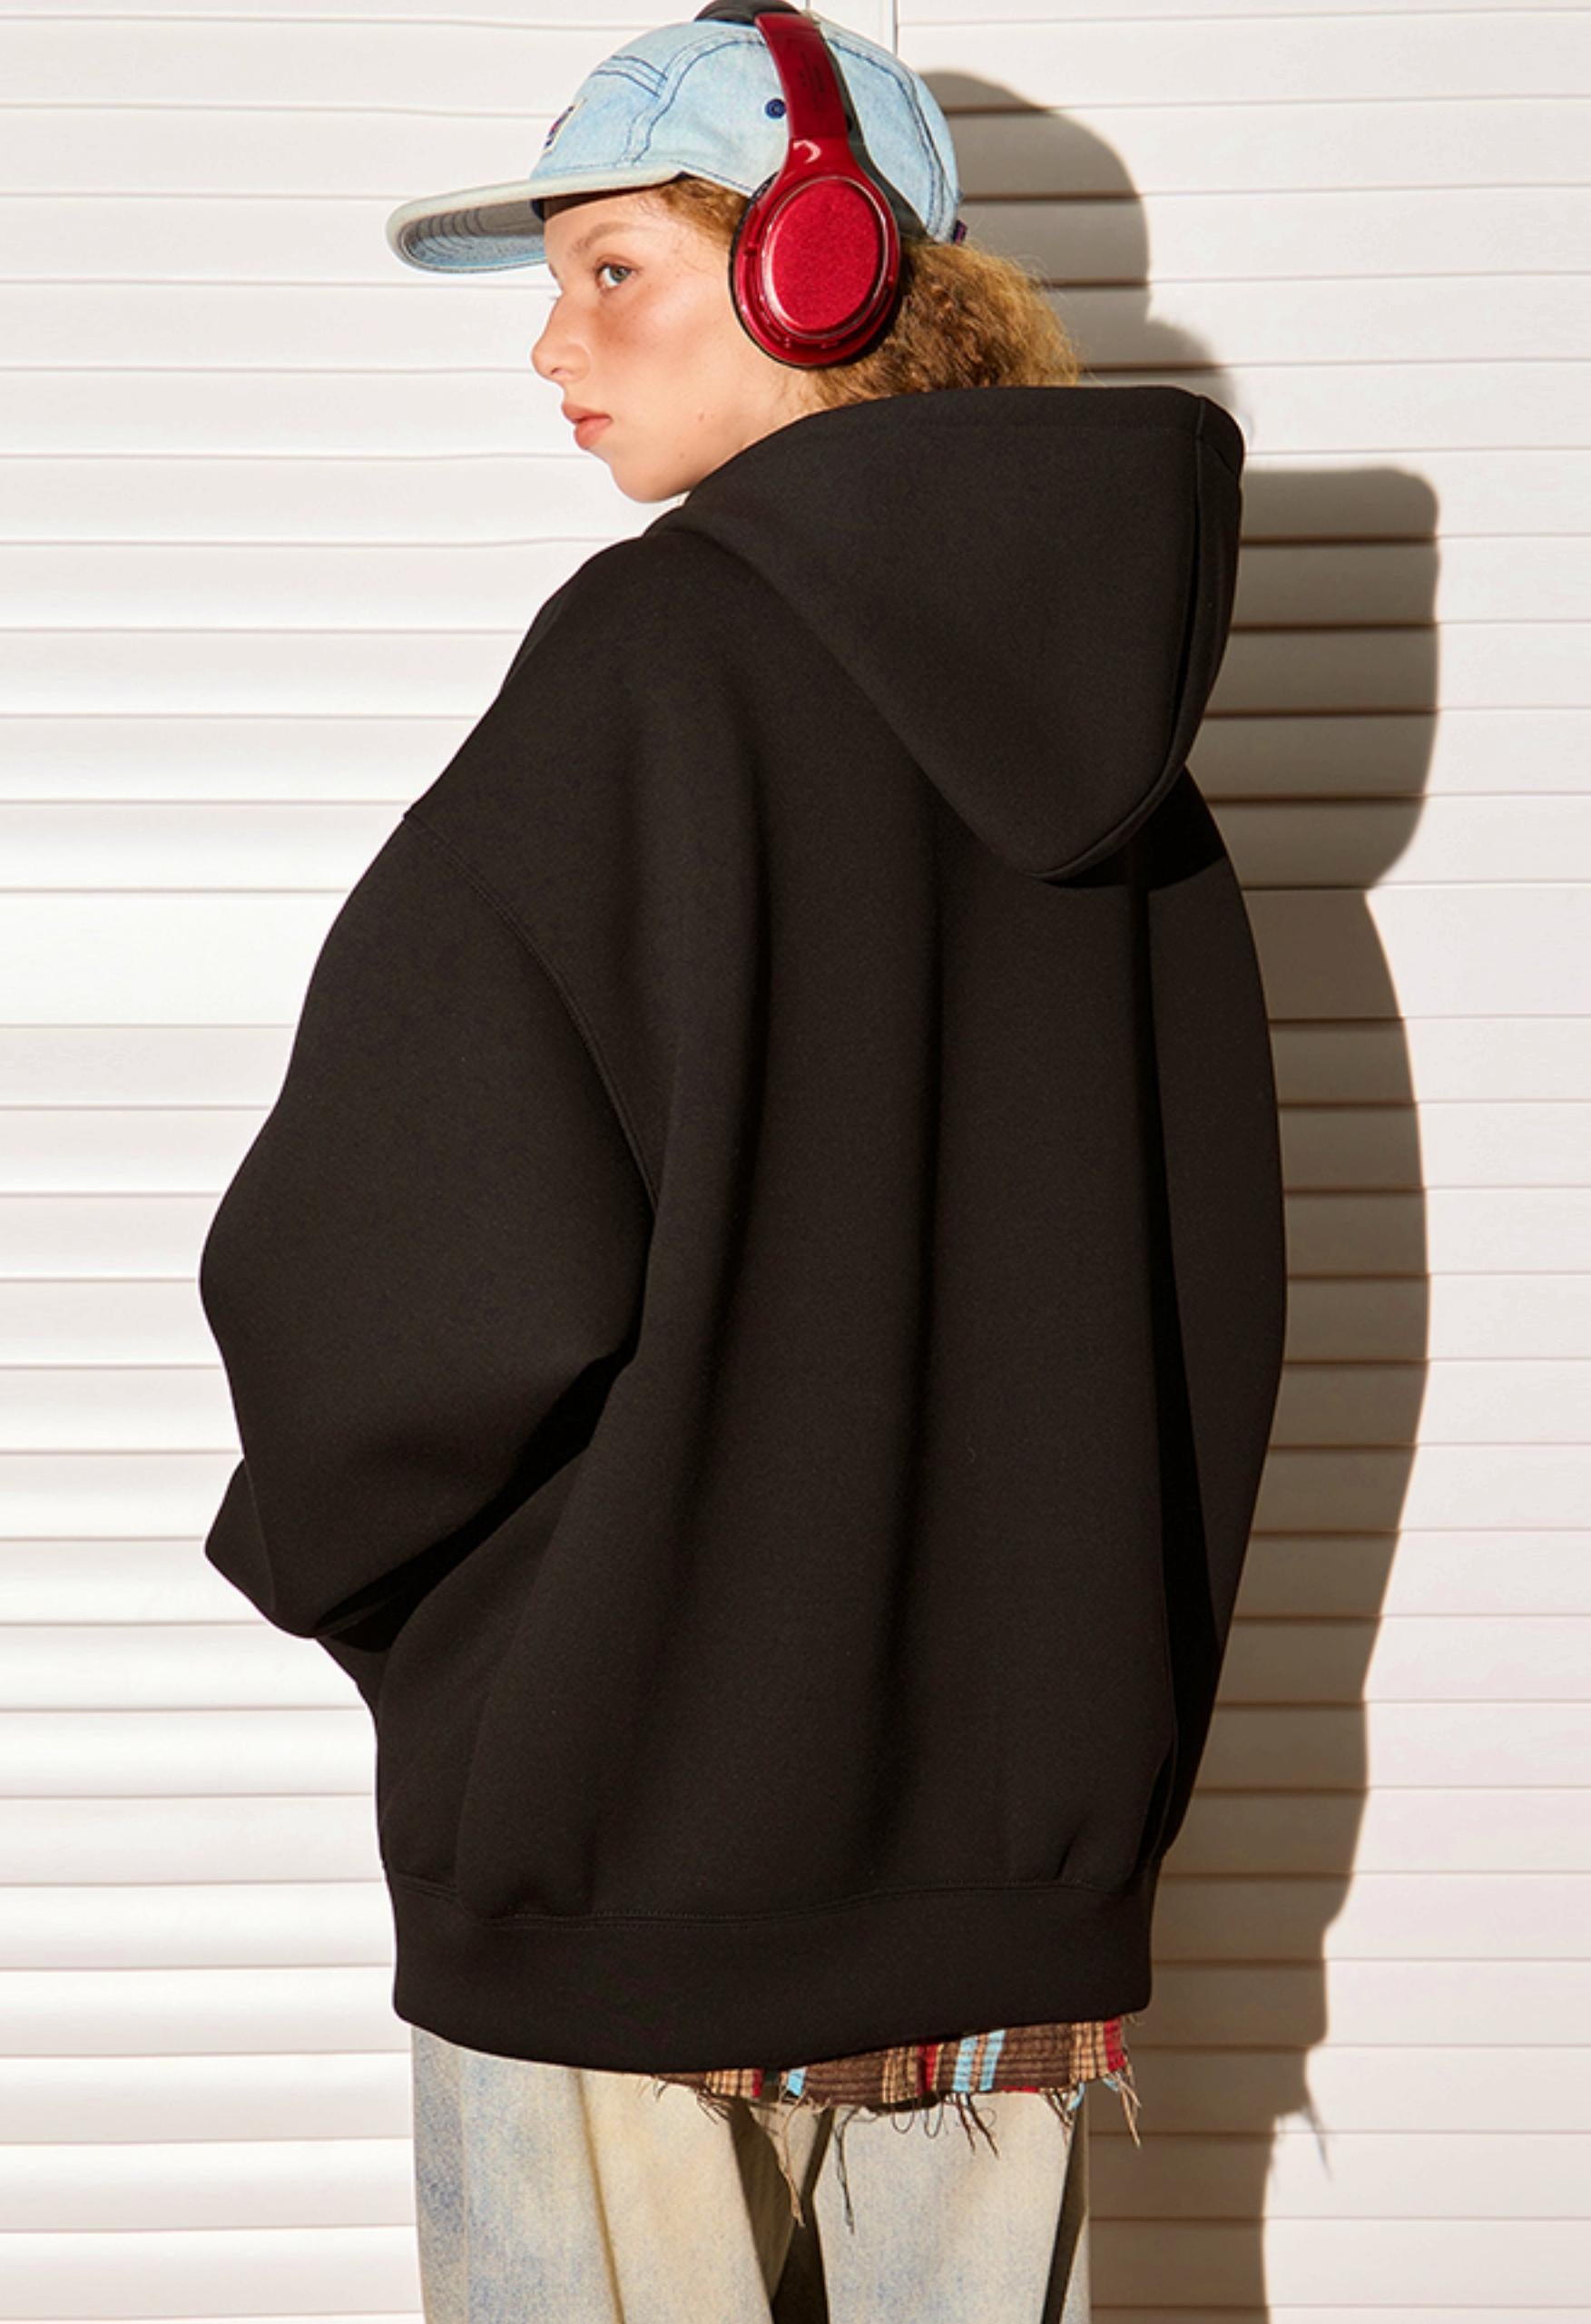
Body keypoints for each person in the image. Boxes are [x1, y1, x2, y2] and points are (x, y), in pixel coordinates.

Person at [197, 5, 1287, 2315]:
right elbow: (1206, 1315)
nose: (553, 351)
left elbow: (394, 1268)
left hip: (632, 1874)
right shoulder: (1138, 779)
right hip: (1010, 1915)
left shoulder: (652, 662)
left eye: (613, 272)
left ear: (818, 268)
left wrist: (351, 1577)